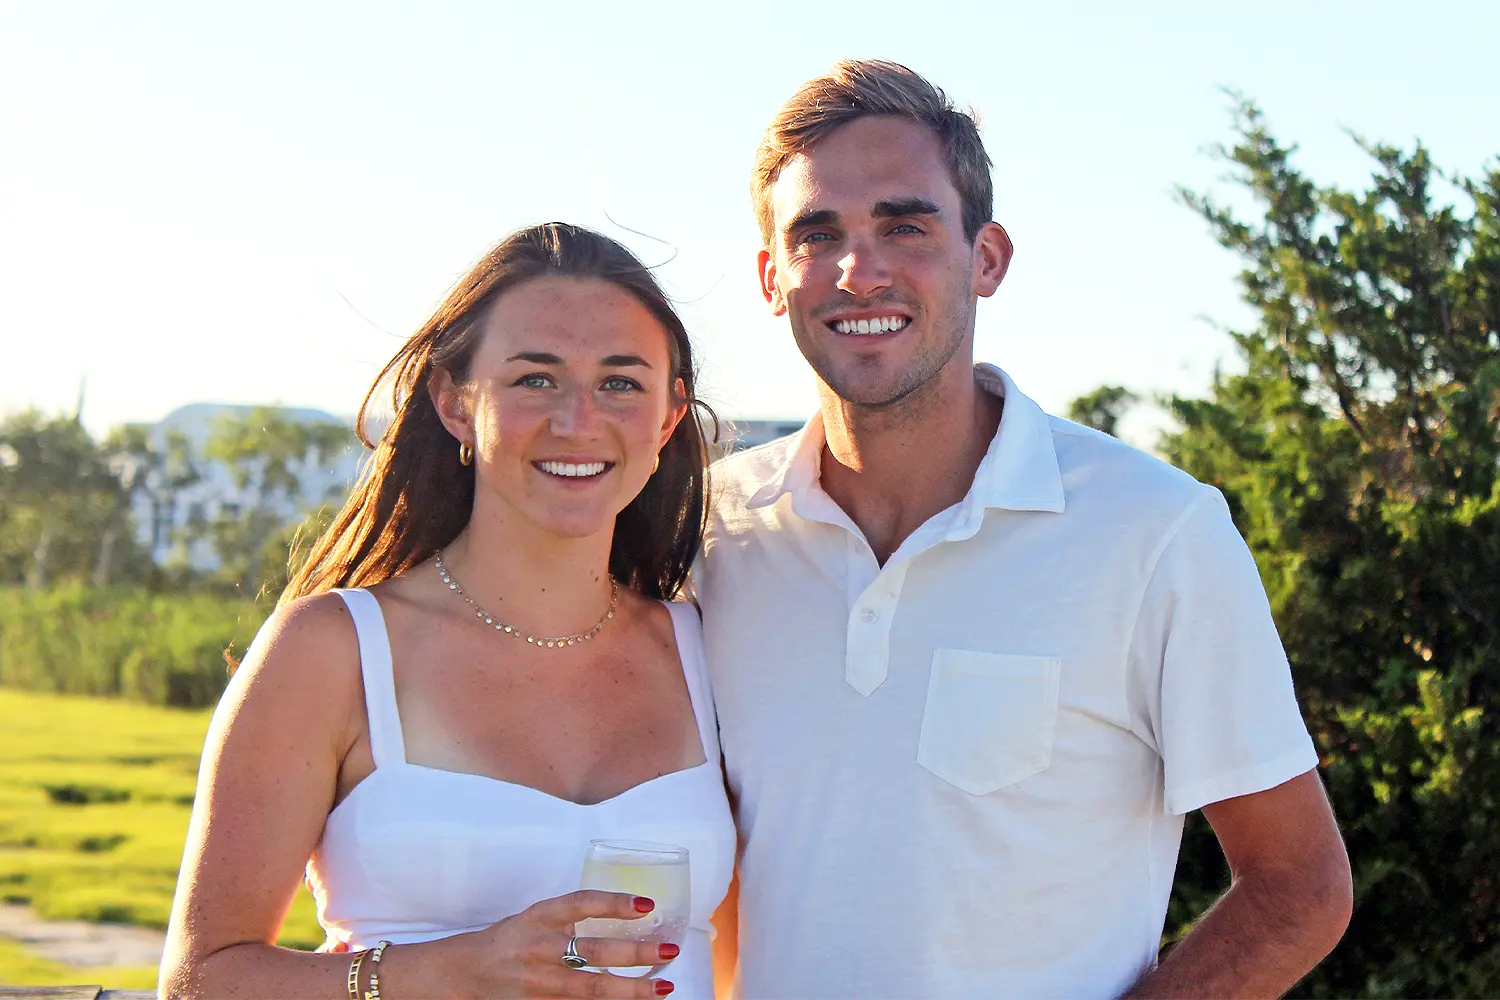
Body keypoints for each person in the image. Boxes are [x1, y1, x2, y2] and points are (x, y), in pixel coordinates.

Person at [695, 60, 1353, 1000]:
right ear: (772, 277)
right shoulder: (712, 536)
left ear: (988, 257)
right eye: (817, 234)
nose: (859, 268)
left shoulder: (1157, 533)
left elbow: (1301, 888)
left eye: (905, 225)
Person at [160, 223, 735, 1000]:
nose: (577, 419)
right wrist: (448, 970)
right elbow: (201, 980)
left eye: (621, 383)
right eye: (535, 379)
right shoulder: (332, 650)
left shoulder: (712, 646)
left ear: (668, 420)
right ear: (454, 403)